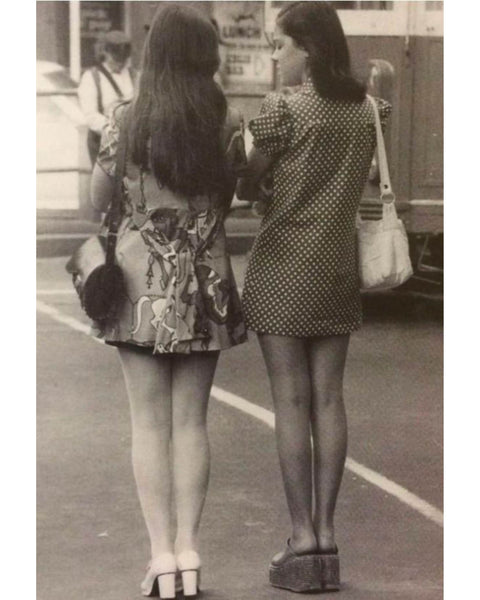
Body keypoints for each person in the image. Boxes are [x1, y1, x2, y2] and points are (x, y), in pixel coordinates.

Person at [89, 5, 247, 598]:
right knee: (192, 423)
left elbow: (97, 198)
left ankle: (159, 554)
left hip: (137, 288)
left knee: (148, 424)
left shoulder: (125, 120)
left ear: (154, 55)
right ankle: (189, 549)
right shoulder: (226, 120)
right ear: (206, 57)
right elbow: (235, 193)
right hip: (207, 285)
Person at [237, 1, 391, 593]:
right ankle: (327, 534)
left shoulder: (281, 109)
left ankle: (300, 536)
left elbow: (251, 174)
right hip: (335, 266)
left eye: (281, 46)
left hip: (281, 268)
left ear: (310, 50)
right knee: (330, 400)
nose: (274, 56)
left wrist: (256, 173)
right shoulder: (367, 112)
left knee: (290, 403)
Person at [78, 30, 135, 165]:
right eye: (116, 58)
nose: (120, 63)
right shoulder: (91, 78)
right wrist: (116, 132)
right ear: (105, 53)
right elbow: (91, 116)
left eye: (124, 59)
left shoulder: (134, 75)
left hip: (132, 144)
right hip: (103, 144)